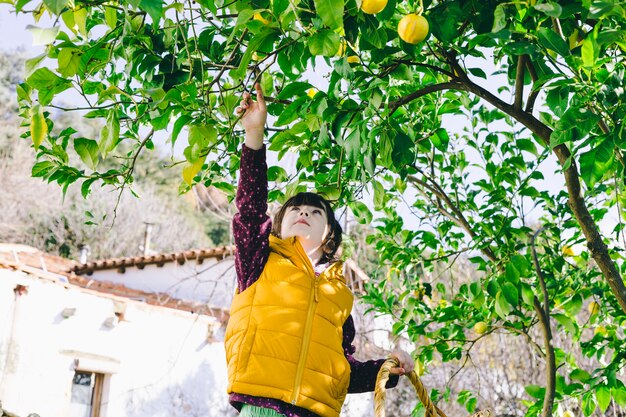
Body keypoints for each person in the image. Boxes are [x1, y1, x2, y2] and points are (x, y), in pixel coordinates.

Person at [224, 83, 414, 417]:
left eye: (315, 213)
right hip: (263, 406)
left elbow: (341, 372)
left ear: (329, 235)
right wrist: (254, 135)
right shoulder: (258, 261)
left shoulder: (339, 296)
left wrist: (387, 369)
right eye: (295, 209)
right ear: (278, 226)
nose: (304, 214)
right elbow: (250, 211)